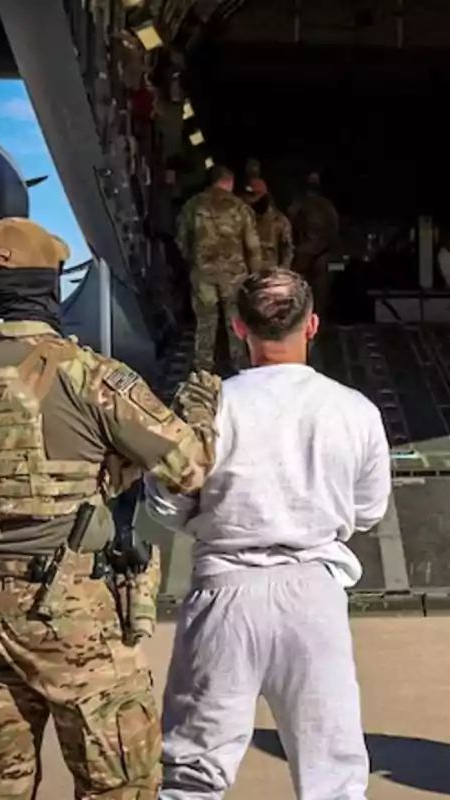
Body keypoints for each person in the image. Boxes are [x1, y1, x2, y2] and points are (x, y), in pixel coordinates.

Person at [0, 216, 223, 800]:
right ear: (50, 286)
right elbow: (189, 465)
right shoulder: (88, 376)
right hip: (71, 615)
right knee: (119, 783)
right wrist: (201, 405)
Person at [145, 269, 391, 800]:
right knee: (334, 777)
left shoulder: (207, 412)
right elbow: (369, 511)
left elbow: (166, 501)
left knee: (192, 774)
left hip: (224, 591)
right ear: (313, 325)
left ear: (238, 328)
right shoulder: (356, 411)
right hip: (313, 594)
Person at [177, 165, 262, 372]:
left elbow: (181, 240)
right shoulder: (240, 207)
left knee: (205, 321)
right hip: (233, 276)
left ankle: (202, 369)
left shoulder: (193, 205)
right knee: (235, 322)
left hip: (203, 274)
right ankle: (239, 367)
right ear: (229, 182)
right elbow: (252, 246)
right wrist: (255, 275)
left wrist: (195, 262)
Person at [288, 171, 340, 316]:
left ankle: (315, 323)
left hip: (315, 256)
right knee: (302, 295)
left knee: (316, 296)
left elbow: (333, 231)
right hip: (305, 256)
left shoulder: (323, 205)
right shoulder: (300, 204)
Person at [244, 178, 294, 270]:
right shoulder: (243, 217)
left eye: (254, 195)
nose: (250, 201)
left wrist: (282, 272)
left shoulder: (279, 221)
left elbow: (287, 250)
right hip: (246, 273)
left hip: (270, 273)